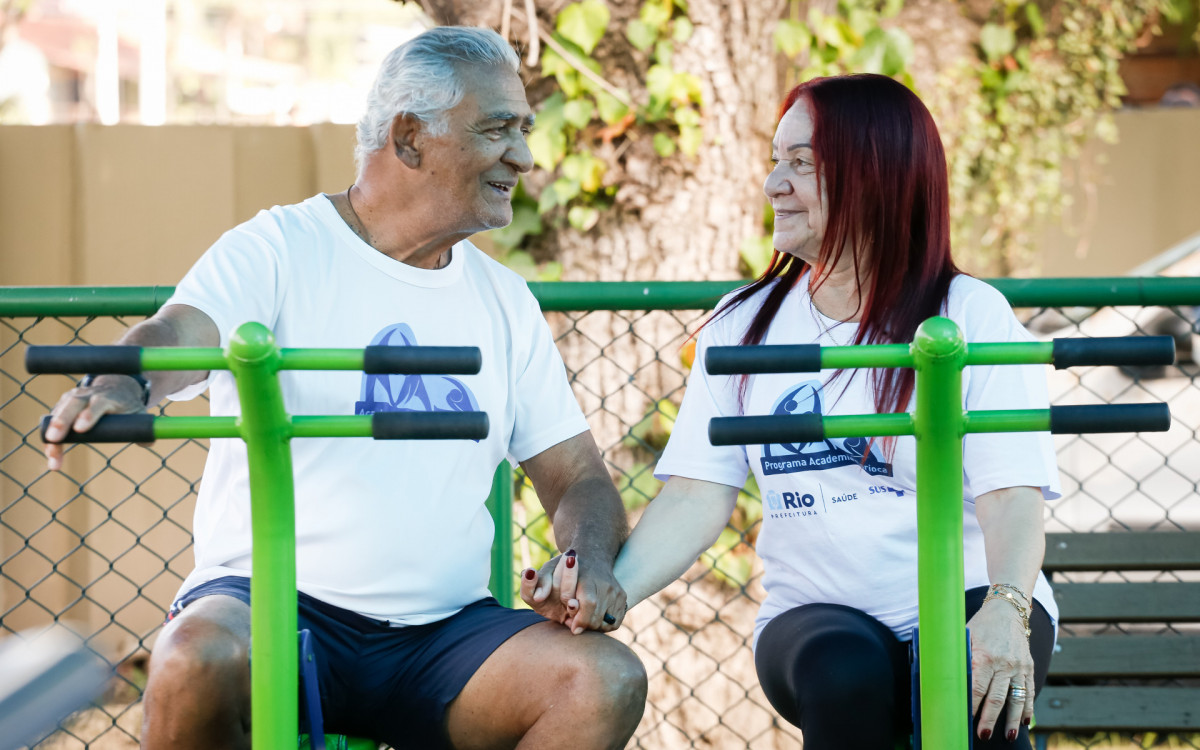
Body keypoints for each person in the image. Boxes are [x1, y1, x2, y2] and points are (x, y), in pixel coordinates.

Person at [43, 27, 645, 750]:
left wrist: (586, 562)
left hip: (440, 636)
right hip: (272, 604)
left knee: (602, 681)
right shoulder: (278, 249)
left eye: (523, 130)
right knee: (195, 658)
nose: (523, 156)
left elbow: (577, 476)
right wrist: (122, 383)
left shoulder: (505, 300)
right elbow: (178, 334)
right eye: (497, 130)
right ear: (410, 138)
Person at [524, 74, 1060, 750]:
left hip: (978, 591)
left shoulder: (968, 315)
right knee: (843, 673)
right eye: (776, 160)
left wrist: (1008, 607)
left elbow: (1011, 495)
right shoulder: (742, 325)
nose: (773, 183)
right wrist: (601, 596)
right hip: (818, 614)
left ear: (875, 174)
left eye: (800, 163)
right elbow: (695, 496)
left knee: (963, 670)